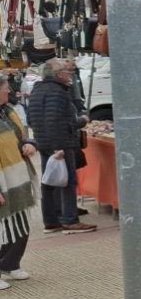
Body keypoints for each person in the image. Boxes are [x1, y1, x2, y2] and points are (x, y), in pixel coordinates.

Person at [25, 58, 94, 234]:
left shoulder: (37, 91)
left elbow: (32, 120)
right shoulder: (59, 92)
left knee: (49, 180)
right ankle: (70, 220)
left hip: (44, 141)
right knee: (67, 181)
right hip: (60, 142)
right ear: (58, 74)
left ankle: (51, 220)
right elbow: (57, 121)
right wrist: (81, 121)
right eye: (66, 70)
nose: (69, 73)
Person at [0, 76, 39, 288]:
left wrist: (29, 144)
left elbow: (22, 136)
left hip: (17, 178)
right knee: (2, 226)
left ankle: (10, 263)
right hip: (2, 180)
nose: (10, 92)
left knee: (20, 222)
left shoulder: (8, 112)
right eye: (6, 89)